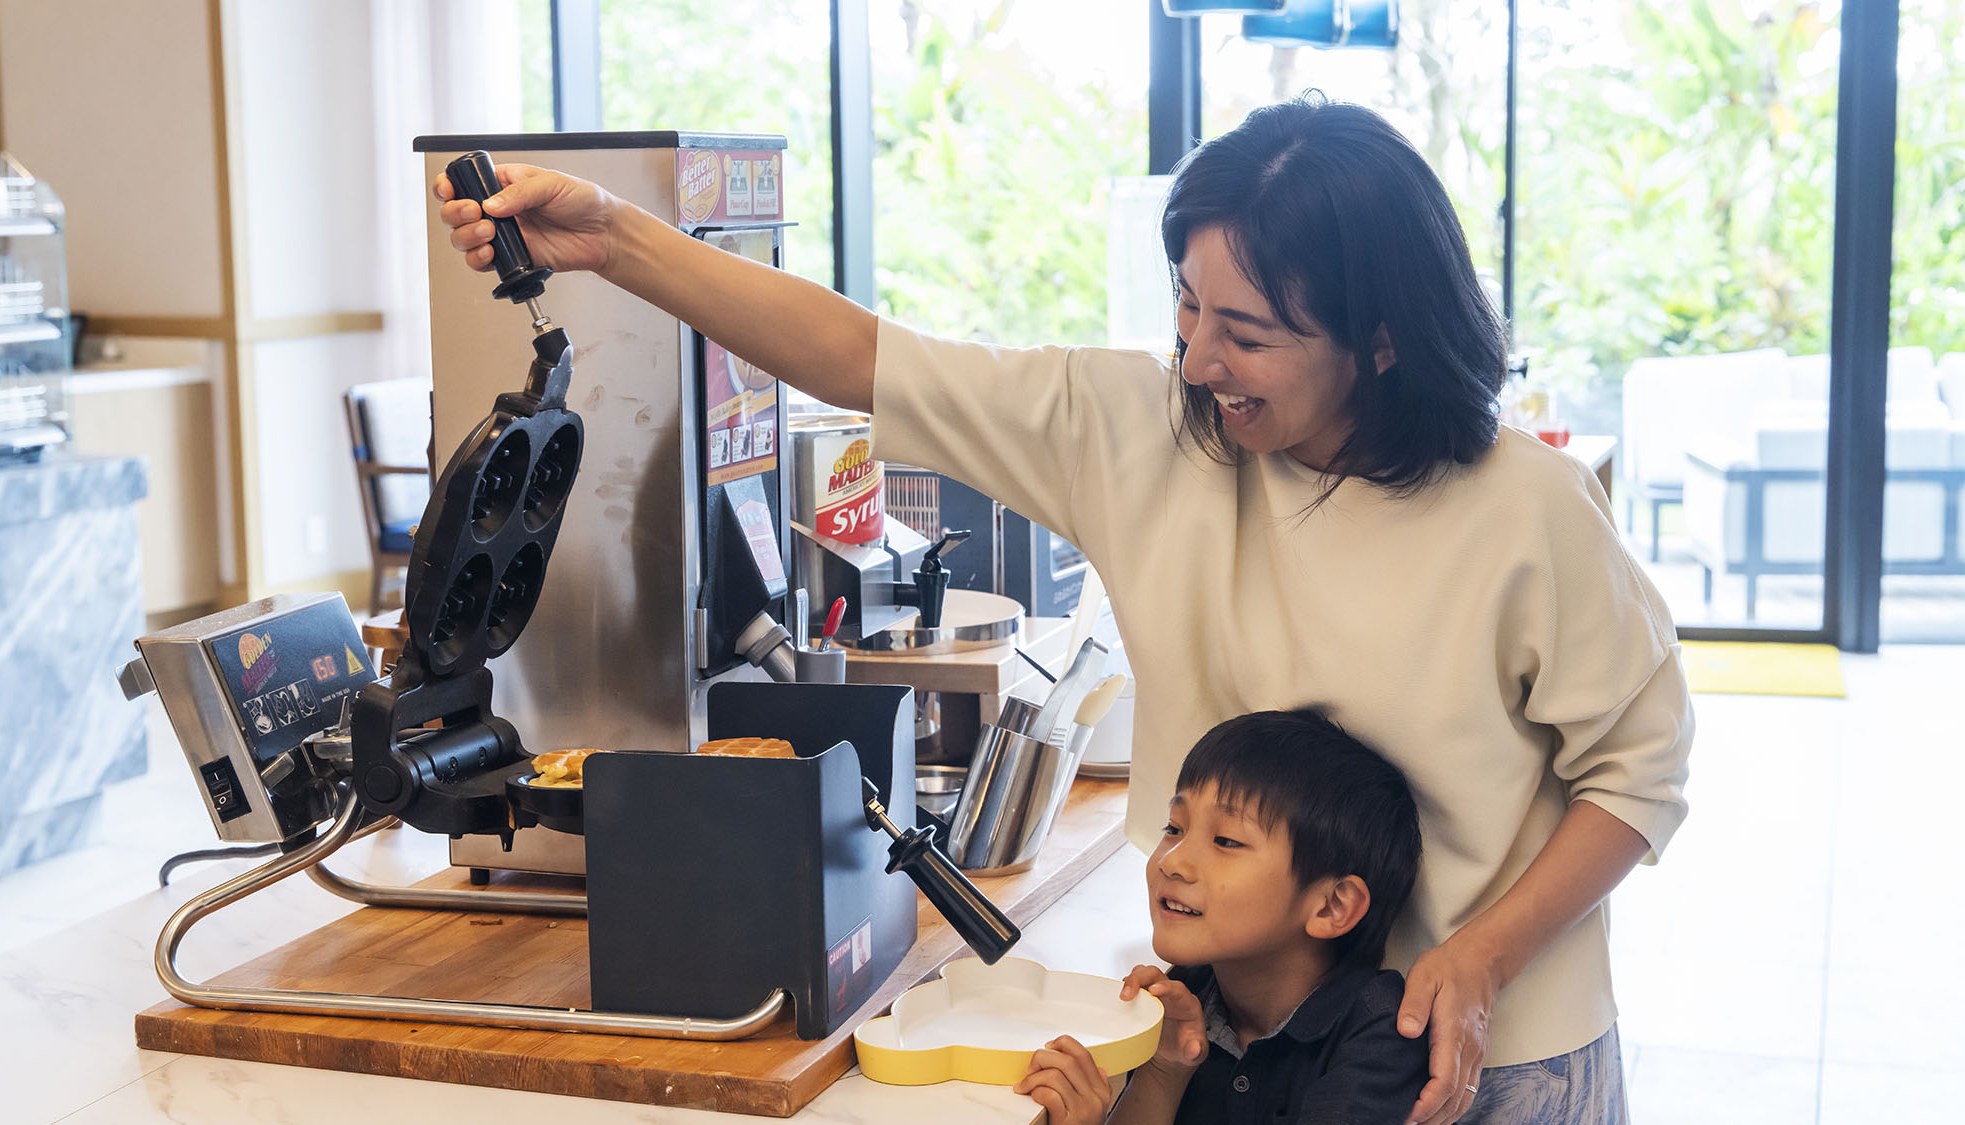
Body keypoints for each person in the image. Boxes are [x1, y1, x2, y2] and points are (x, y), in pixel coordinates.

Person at [434, 92, 1692, 1125]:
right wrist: (612, 238)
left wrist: (1481, 959)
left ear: (1377, 339)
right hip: (1225, 1035)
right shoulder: (1140, 428)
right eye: (1187, 306)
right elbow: (861, 356)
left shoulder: (1522, 508)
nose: (1198, 359)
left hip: (1479, 1046)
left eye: (1246, 332)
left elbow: (1635, 776)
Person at [1013, 709, 1428, 1124]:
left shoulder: (1383, 1034)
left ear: (1331, 906)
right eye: (1174, 828)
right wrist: (1166, 1070)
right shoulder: (1179, 998)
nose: (1172, 862)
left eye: (1226, 840)